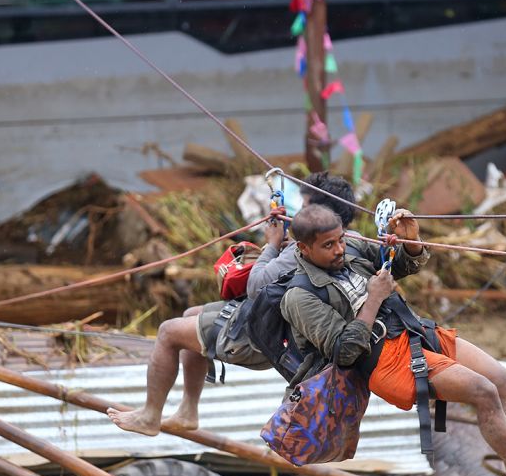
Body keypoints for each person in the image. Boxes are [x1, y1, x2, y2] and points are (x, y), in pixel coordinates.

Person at [279, 203, 506, 476]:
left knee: (503, 380)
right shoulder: (299, 296)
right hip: (384, 360)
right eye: (328, 245)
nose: (339, 249)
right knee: (483, 391)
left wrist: (410, 242)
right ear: (303, 248)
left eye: (341, 240)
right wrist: (374, 298)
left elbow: (401, 266)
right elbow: (344, 353)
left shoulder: (352, 249)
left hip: (414, 331)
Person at [106, 173, 358, 436]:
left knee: (168, 332)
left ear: (322, 215)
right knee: (191, 314)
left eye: (306, 208)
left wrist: (272, 246)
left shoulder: (305, 250)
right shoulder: (348, 242)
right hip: (276, 325)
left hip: (265, 337)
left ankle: (150, 416)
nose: (300, 214)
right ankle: (187, 411)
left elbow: (255, 286)